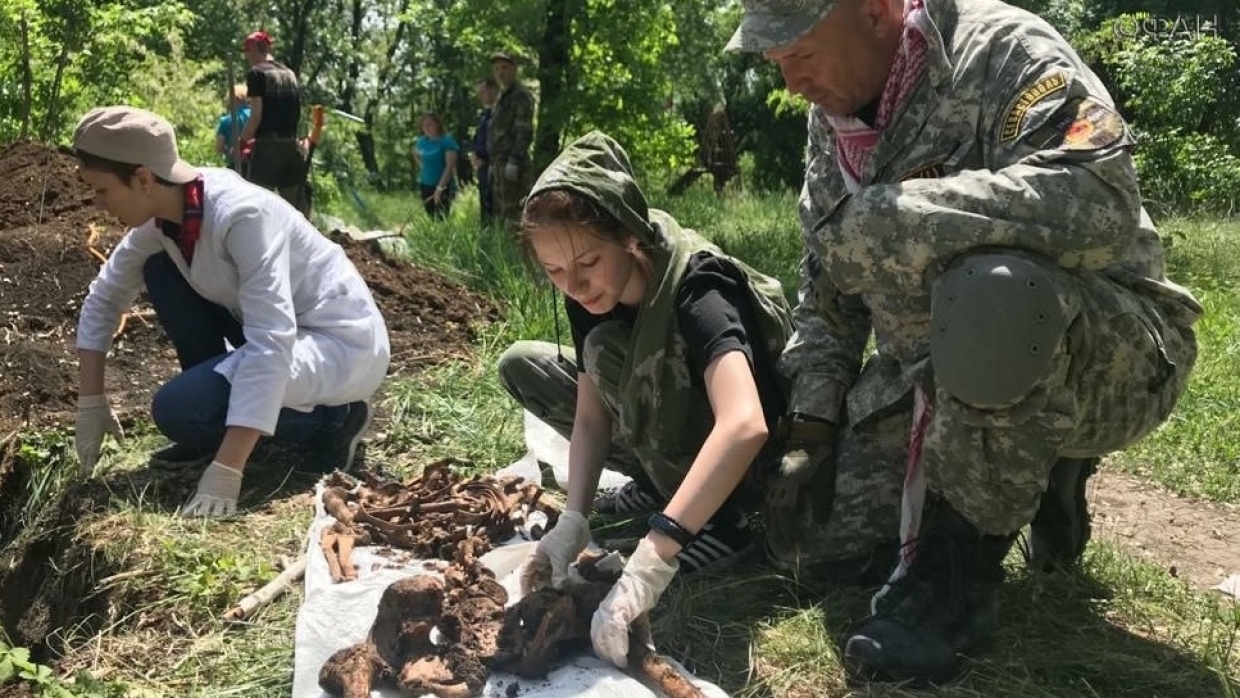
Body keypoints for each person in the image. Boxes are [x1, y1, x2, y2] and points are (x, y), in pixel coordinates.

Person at [727, 0, 1200, 684]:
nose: (790, 83)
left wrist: (900, 215)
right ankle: (1040, 481)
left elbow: (1103, 198)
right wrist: (812, 426)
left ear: (874, 10)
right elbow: (828, 284)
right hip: (931, 368)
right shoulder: (831, 120)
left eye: (799, 55)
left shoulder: (1002, 51)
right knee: (815, 550)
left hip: (1105, 348)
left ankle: (958, 575)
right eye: (776, 64)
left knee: (995, 290)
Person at [498, 131, 794, 668]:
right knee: (528, 361)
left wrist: (656, 553)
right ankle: (661, 481)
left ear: (630, 237)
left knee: (615, 358)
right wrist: (575, 520)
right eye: (555, 272)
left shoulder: (698, 288)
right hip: (669, 426)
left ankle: (719, 523)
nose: (575, 284)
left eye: (588, 263)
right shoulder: (589, 290)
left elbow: (746, 422)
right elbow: (590, 416)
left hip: (750, 466)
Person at [71, 106, 390, 518]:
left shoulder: (242, 216)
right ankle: (217, 418)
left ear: (144, 178)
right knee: (161, 270)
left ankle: (337, 417)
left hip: (340, 344)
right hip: (281, 334)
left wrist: (227, 468)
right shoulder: (164, 219)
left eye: (101, 190)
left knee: (178, 410)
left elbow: (271, 340)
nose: (97, 204)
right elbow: (104, 299)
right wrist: (91, 402)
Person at [237, 30, 306, 214]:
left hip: (268, 148)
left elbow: (256, 116)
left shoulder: (256, 74)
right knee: (297, 208)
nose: (247, 56)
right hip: (291, 144)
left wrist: (241, 141)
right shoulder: (289, 73)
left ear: (254, 50)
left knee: (258, 205)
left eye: (247, 51)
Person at [486, 52, 537, 228]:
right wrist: (492, 163)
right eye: (497, 68)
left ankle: (520, 254)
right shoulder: (502, 97)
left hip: (514, 164)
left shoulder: (520, 95)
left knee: (516, 213)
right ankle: (506, 253)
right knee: (501, 213)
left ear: (514, 70)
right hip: (499, 164)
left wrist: (515, 159)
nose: (501, 72)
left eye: (505, 68)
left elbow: (524, 130)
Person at [410, 113, 459, 220]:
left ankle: (443, 237)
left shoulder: (447, 141)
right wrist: (422, 167)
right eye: (424, 125)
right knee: (430, 215)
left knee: (441, 216)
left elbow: (449, 166)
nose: (426, 127)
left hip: (443, 184)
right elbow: (415, 153)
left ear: (437, 125)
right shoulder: (422, 141)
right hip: (425, 183)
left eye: (429, 124)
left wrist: (440, 188)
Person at [471, 78, 499, 227]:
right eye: (479, 93)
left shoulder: (500, 112)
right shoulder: (484, 114)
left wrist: (487, 160)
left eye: (483, 91)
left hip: (495, 166)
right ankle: (487, 239)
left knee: (495, 206)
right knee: (485, 204)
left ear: (494, 90)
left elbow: (499, 141)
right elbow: (479, 138)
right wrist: (474, 154)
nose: (480, 96)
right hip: (482, 167)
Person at [214, 83, 251, 172]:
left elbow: (219, 147)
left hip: (235, 165)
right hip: (255, 163)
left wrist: (228, 151)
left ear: (235, 99)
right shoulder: (255, 116)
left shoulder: (226, 121)